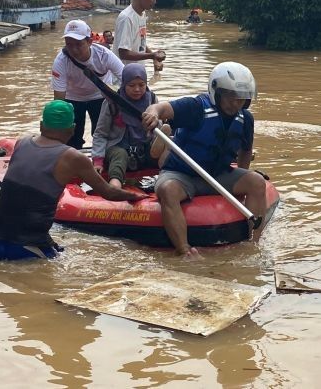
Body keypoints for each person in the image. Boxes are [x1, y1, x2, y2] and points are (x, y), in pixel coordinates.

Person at [0, 101, 144, 262]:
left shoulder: (22, 143)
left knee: (57, 251)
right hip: (25, 247)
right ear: (72, 129)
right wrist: (135, 196)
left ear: (41, 125)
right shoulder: (73, 157)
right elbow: (109, 192)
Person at [141, 62, 267, 259]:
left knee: (257, 182)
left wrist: (241, 182)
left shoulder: (245, 119)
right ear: (216, 91)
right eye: (230, 96)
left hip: (219, 174)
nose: (236, 103)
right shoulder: (196, 108)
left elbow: (246, 150)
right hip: (183, 174)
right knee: (167, 190)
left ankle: (255, 243)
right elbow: (162, 108)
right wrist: (153, 113)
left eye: (241, 98)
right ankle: (184, 250)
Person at [92, 63, 169, 188]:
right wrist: (98, 160)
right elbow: (100, 133)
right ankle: (115, 186)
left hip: (144, 149)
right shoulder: (112, 102)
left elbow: (155, 127)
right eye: (131, 85)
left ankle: (166, 171)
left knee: (162, 147)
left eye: (141, 85)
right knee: (119, 155)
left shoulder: (152, 100)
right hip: (119, 147)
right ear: (124, 84)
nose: (137, 89)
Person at [51, 19, 125, 149]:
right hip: (73, 98)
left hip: (100, 96)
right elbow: (59, 99)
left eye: (78, 44)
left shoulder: (104, 55)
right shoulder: (61, 61)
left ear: (90, 42)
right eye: (69, 44)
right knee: (72, 139)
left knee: (102, 134)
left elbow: (126, 78)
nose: (73, 50)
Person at [112, 0, 166, 70]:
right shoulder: (126, 18)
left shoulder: (142, 14)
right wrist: (151, 55)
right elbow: (124, 53)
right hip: (124, 76)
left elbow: (141, 43)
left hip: (136, 73)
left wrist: (154, 57)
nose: (154, 1)